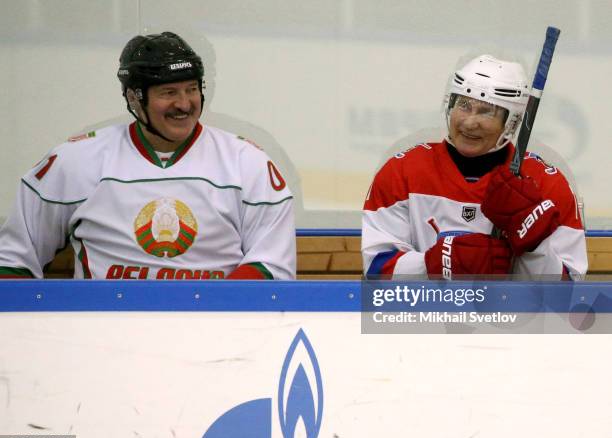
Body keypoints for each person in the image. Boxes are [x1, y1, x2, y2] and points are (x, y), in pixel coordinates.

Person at [0, 31, 295, 280]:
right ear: (133, 99)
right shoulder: (74, 162)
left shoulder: (247, 163)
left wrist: (208, 314)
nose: (184, 104)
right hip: (100, 336)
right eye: (168, 92)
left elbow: (272, 268)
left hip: (215, 336)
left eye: (191, 89)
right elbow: (13, 260)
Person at [362, 54, 587, 280]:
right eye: (464, 105)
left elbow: (569, 290)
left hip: (513, 315)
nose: (469, 122)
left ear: (511, 122)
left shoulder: (547, 184)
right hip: (423, 315)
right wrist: (433, 265)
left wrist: (534, 247)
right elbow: (376, 271)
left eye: (486, 111)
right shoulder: (402, 171)